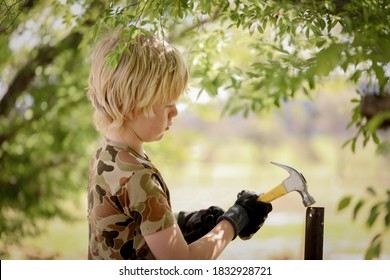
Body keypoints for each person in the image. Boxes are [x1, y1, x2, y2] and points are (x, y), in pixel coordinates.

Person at [86, 27, 272, 260]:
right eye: (167, 105)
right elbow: (182, 265)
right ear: (133, 105)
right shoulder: (138, 177)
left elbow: (135, 221)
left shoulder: (106, 156)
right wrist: (235, 220)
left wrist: (185, 221)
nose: (175, 112)